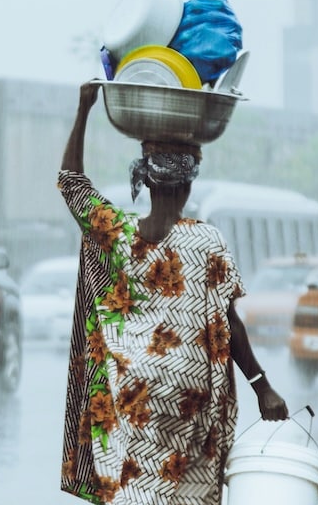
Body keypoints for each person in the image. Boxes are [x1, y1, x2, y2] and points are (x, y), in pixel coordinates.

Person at [58, 80, 287, 505]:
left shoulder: (117, 234)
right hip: (188, 398)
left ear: (146, 183)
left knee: (135, 490)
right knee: (184, 494)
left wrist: (85, 107)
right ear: (186, 187)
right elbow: (228, 326)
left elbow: (70, 181)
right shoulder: (207, 241)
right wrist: (262, 386)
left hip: (132, 392)